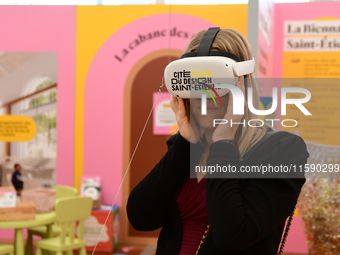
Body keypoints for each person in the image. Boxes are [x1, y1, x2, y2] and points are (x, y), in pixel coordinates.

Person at [127, 28, 309, 255]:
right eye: (196, 82)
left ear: (242, 86)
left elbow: (232, 236)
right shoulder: (187, 146)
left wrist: (223, 141)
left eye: (218, 82)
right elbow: (141, 218)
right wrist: (185, 142)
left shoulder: (282, 150)